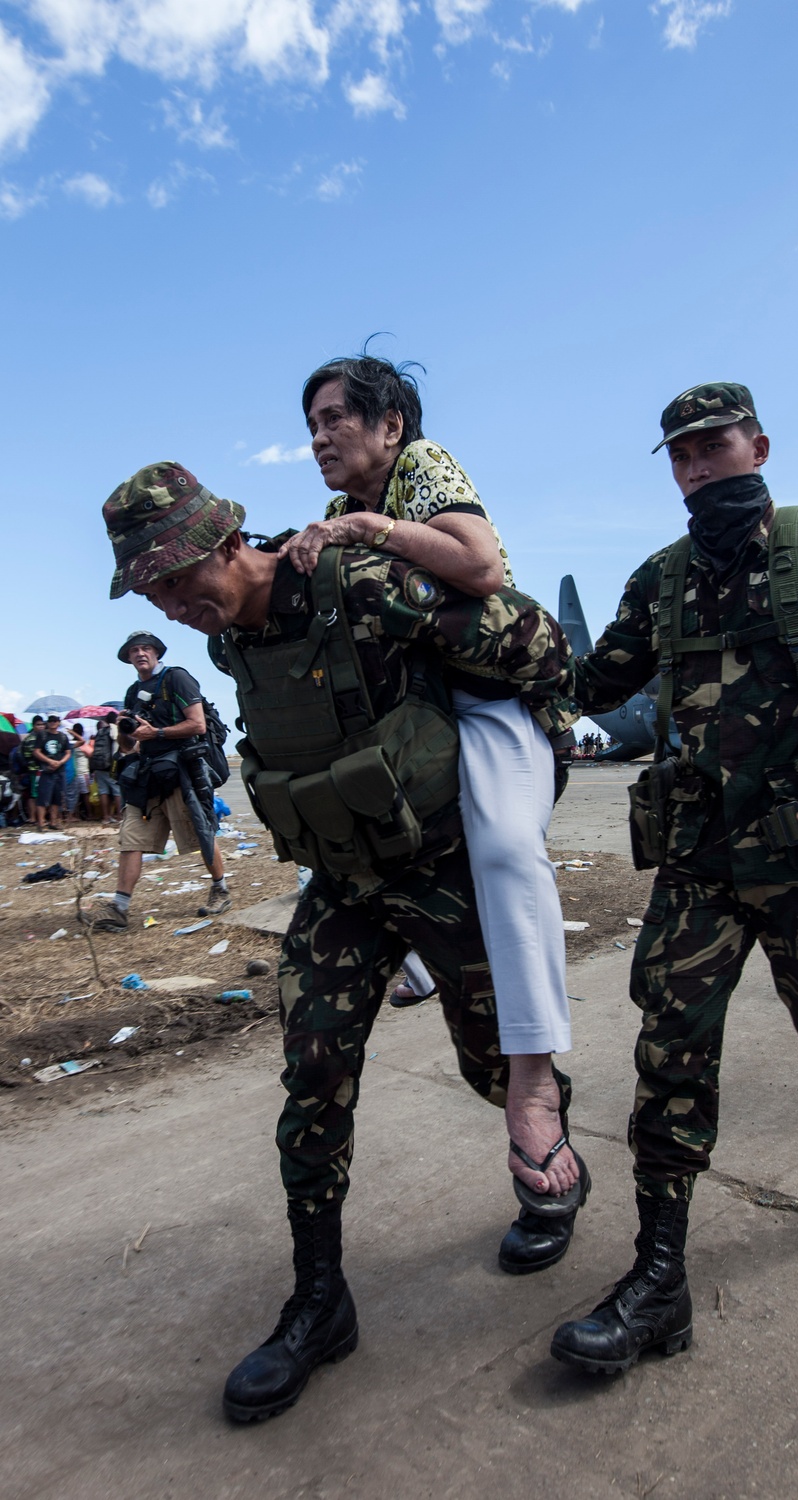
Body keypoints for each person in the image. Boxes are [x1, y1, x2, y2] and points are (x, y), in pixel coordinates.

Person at [99, 459, 588, 1422]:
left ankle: (547, 1171)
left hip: (444, 869)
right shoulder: (232, 639)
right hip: (347, 888)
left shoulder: (355, 583)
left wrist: (530, 755)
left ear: (225, 545)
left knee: (497, 1063)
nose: (169, 601)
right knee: (312, 1071)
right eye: (149, 588)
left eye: (174, 576)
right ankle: (319, 1303)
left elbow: (535, 644)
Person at [549, 381, 798, 1377]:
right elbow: (586, 683)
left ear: (756, 444)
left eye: (713, 445)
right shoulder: (658, 581)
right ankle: (657, 1280)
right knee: (668, 1045)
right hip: (700, 859)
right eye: (680, 454)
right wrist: (473, 627)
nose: (697, 465)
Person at [280, 353, 578, 1204]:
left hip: (489, 702)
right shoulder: (339, 509)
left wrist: (361, 533)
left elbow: (479, 567)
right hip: (411, 718)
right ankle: (411, 953)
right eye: (311, 426)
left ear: (391, 426)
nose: (320, 438)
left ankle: (531, 1079)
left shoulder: (423, 469)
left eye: (336, 418)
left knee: (509, 851)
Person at [79, 631, 229, 932]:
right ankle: (120, 909)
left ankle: (220, 889)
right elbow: (127, 746)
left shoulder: (176, 679)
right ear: (128, 657)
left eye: (146, 648)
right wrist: (124, 728)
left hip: (182, 771)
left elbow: (197, 724)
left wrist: (157, 733)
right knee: (131, 839)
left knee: (200, 833)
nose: (140, 653)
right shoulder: (133, 691)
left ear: (157, 652)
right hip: (148, 773)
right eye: (134, 650)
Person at [33, 714, 72, 828]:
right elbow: (36, 751)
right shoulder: (43, 735)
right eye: (50, 721)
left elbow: (68, 752)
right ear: (47, 723)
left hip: (60, 770)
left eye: (55, 721)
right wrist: (49, 761)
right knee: (43, 797)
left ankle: (53, 822)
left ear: (59, 722)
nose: (53, 723)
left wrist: (60, 762)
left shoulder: (63, 736)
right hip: (46, 770)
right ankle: (41, 822)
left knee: (57, 797)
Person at [90, 712, 121, 822]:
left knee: (103, 792)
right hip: (110, 765)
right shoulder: (114, 730)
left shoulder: (100, 731)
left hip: (98, 766)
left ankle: (106, 817)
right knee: (117, 791)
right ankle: (119, 816)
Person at [15, 715, 43, 822]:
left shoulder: (40, 737)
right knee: (34, 794)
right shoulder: (32, 739)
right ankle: (33, 817)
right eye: (38, 725)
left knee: (37, 793)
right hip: (34, 769)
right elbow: (35, 755)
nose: (41, 727)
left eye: (42, 724)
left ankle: (37, 817)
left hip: (38, 770)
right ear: (34, 725)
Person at [64, 722, 93, 820]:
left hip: (74, 772)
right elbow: (91, 754)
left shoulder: (70, 744)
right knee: (85, 795)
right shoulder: (81, 745)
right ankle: (89, 814)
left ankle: (76, 814)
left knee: (75, 795)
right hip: (82, 772)